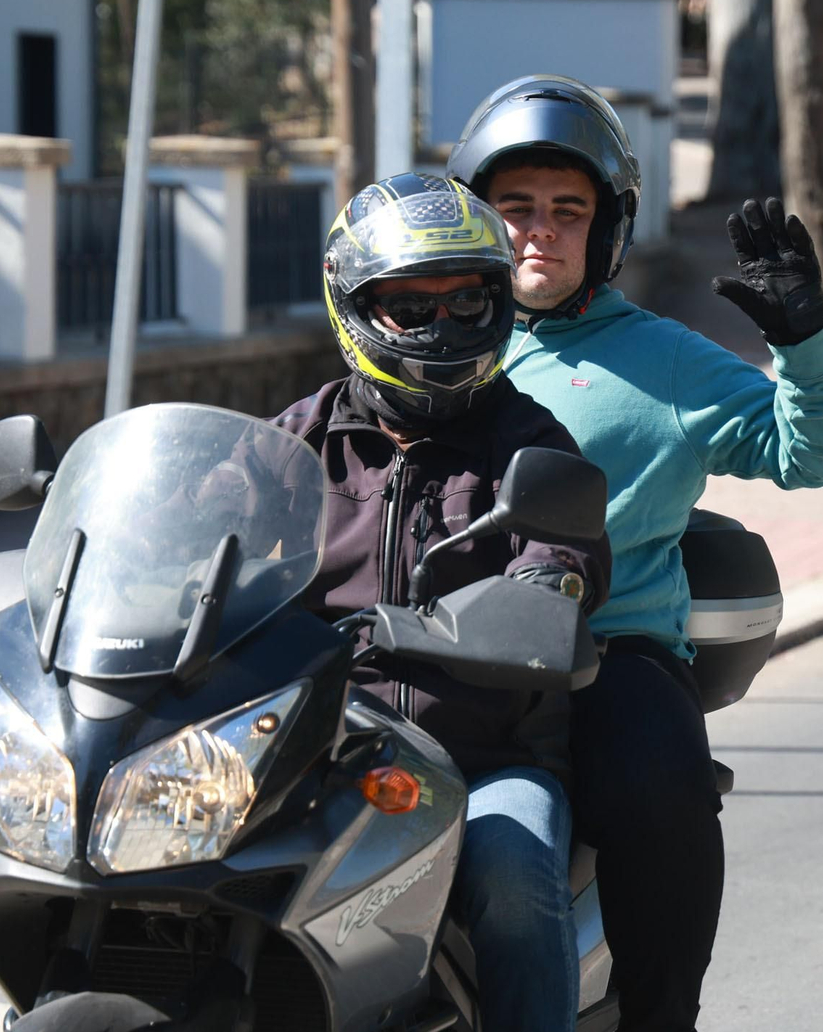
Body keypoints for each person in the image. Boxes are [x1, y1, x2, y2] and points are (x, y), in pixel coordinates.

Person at [445, 75, 823, 1032]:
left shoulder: (666, 360)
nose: (538, 232)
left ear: (608, 230)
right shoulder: (424, 333)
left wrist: (805, 343)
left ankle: (660, 1014)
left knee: (656, 782)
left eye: (567, 210)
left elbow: (817, 454)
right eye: (514, 208)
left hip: (603, 656)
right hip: (425, 648)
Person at [273, 173, 613, 1032]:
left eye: (467, 302)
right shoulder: (296, 440)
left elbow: (564, 564)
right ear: (353, 305)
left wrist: (535, 598)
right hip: (308, 750)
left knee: (512, 862)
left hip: (475, 761)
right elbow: (201, 524)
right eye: (411, 306)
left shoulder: (529, 443)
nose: (442, 326)